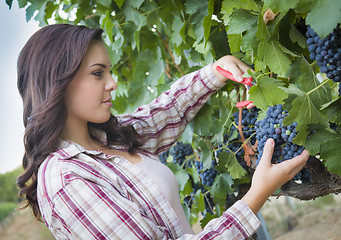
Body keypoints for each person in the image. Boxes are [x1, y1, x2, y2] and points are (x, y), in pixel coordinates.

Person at [16, 24, 309, 239]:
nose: (113, 82)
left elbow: (164, 113)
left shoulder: (108, 140)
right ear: (60, 82)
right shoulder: (65, 180)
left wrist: (215, 73)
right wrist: (255, 198)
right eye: (98, 73)